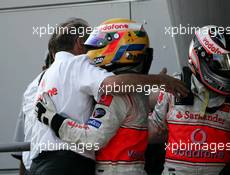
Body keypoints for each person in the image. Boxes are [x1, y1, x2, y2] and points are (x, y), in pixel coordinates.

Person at [30, 18, 188, 175]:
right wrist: (162, 88)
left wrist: (54, 120)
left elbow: (92, 140)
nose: (90, 50)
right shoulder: (137, 92)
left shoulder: (116, 93)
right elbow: (153, 131)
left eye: (97, 43)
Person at [148, 25, 230, 175]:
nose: (229, 70)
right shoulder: (174, 86)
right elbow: (152, 129)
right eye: (223, 64)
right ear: (198, 57)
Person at [12, 50, 54, 175]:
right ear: (44, 69)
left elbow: (21, 148)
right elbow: (22, 147)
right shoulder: (32, 91)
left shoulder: (31, 89)